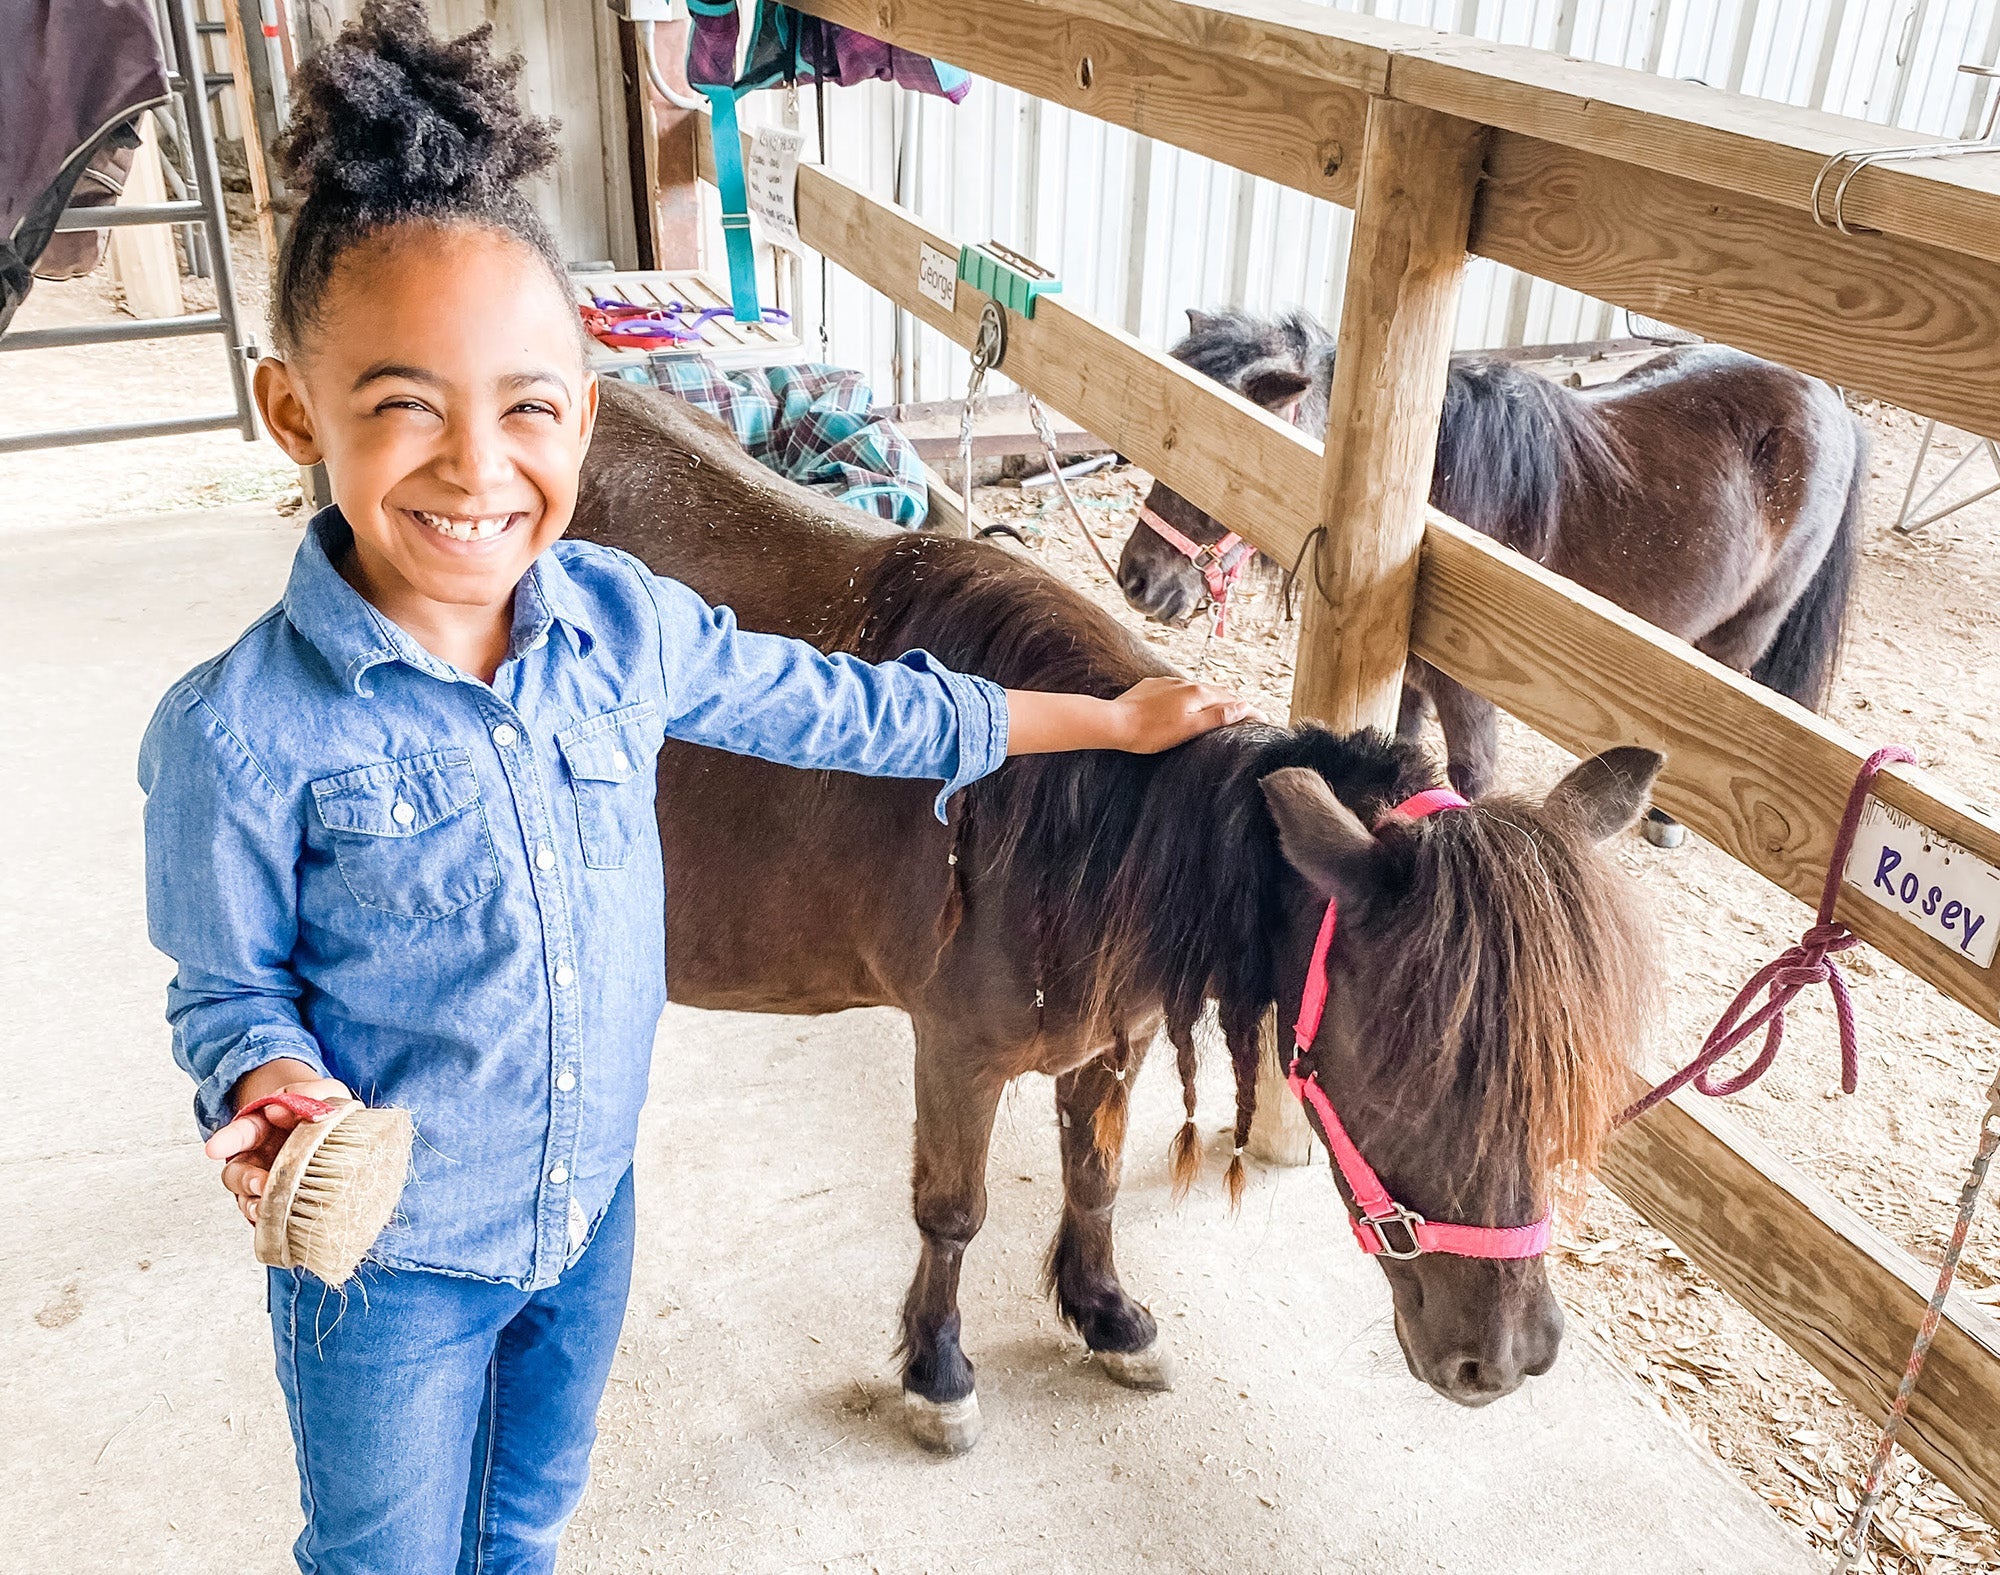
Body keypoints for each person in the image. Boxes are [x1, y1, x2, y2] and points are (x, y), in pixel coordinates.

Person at [136, 5, 1252, 1571]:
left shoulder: (622, 626)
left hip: (585, 1213)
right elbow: (228, 987)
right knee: (381, 1552)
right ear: (293, 413)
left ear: (586, 414)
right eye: (402, 405)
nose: (476, 465)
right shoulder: (239, 733)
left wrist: (1103, 722)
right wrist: (266, 1080)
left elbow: (859, 710)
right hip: (391, 1263)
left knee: (525, 1515)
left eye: (527, 405)